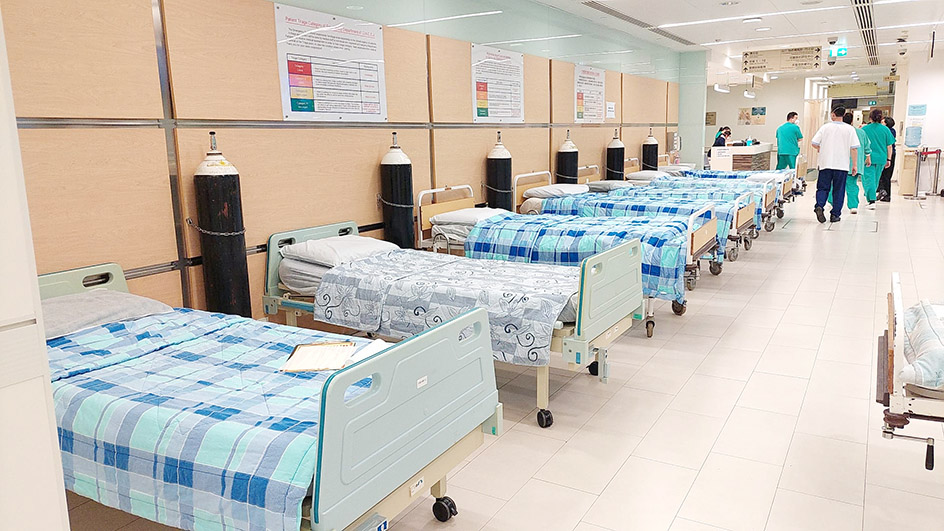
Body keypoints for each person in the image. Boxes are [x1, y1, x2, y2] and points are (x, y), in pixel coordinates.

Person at [811, 106, 860, 223]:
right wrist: (854, 165)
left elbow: (814, 143)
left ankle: (819, 205)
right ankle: (835, 215)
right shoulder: (850, 129)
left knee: (823, 187)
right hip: (841, 165)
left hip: (825, 164)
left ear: (833, 114)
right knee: (839, 190)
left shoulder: (825, 127)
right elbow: (854, 148)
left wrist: (821, 149)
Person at [834, 112, 871, 214]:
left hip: (838, 163)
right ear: (852, 121)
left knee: (835, 184)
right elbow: (867, 146)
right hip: (854, 163)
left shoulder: (837, 131)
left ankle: (832, 202)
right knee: (852, 185)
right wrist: (868, 157)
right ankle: (853, 206)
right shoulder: (861, 132)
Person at [861, 109, 895, 209]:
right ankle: (871, 197)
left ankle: (871, 200)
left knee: (868, 179)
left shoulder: (865, 129)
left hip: (868, 158)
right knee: (875, 179)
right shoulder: (885, 130)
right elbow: (889, 146)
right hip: (881, 158)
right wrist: (889, 159)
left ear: (870, 118)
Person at [878, 116, 897, 201]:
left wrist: (888, 159)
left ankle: (884, 192)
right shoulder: (892, 131)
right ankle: (885, 193)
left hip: (888, 154)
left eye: (882, 122)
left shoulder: (887, 131)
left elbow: (888, 145)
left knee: (884, 175)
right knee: (886, 176)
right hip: (891, 154)